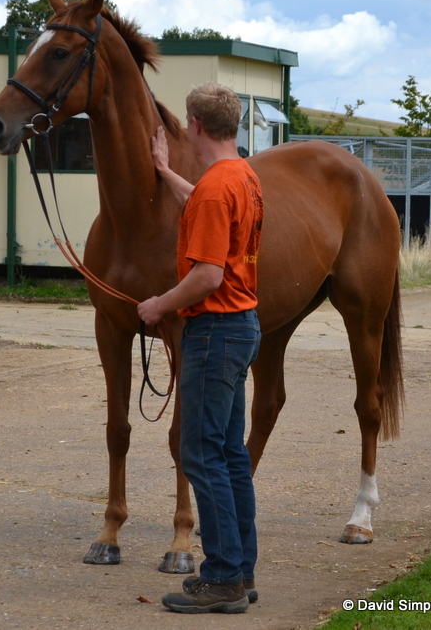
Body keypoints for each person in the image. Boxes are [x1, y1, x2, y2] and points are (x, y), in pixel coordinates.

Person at [137, 82, 264, 614]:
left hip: (214, 331)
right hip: (241, 328)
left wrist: (160, 304)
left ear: (194, 125)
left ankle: (222, 578)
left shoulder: (216, 188)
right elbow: (206, 206)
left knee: (201, 453)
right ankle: (240, 570)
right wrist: (166, 172)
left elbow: (208, 275)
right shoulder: (242, 176)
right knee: (229, 453)